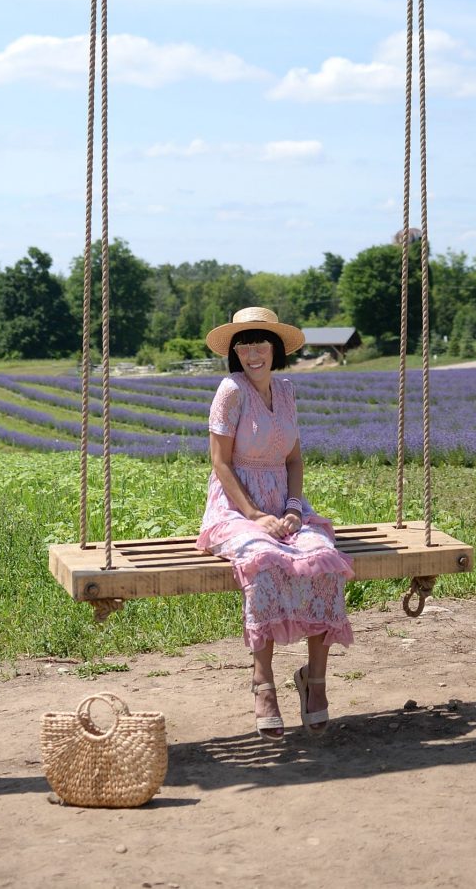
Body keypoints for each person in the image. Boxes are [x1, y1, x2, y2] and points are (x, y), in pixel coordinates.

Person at [196, 306, 354, 741]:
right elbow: (220, 463)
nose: (252, 352)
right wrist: (253, 516)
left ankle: (315, 680)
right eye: (243, 344)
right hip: (235, 506)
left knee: (324, 558)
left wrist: (291, 507)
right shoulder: (231, 390)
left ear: (275, 347)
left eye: (260, 342)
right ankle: (262, 682)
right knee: (263, 559)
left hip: (284, 507)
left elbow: (295, 459)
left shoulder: (286, 391)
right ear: (235, 352)